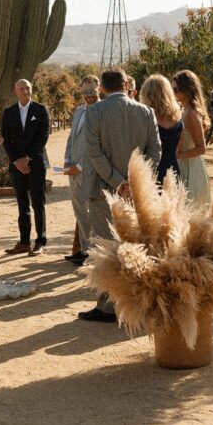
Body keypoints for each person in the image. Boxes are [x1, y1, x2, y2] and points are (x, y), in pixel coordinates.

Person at [81, 68, 161, 322]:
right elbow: (155, 151)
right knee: (135, 245)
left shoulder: (93, 111)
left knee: (105, 248)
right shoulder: (145, 112)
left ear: (102, 88)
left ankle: (107, 306)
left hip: (103, 189)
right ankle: (135, 303)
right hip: (136, 193)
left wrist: (117, 182)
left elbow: (94, 153)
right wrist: (134, 182)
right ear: (127, 84)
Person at [0, 79, 51, 256]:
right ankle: (24, 242)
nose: (25, 91)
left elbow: (43, 136)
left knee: (38, 202)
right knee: (22, 204)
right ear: (15, 91)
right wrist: (17, 161)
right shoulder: (9, 113)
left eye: (28, 88)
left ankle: (40, 241)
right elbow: (5, 138)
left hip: (36, 164)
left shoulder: (40, 110)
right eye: (21, 88)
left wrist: (27, 159)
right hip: (17, 166)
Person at [63, 75, 100, 265]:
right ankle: (85, 249)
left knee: (92, 212)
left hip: (91, 172)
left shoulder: (103, 112)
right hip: (73, 171)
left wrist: (80, 167)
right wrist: (68, 160)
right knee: (79, 211)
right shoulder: (78, 111)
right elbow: (72, 138)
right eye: (86, 92)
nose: (89, 96)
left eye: (92, 92)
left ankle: (94, 252)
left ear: (99, 89)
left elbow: (98, 146)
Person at [172, 70, 211, 206]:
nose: (174, 93)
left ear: (186, 89)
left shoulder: (191, 114)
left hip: (192, 168)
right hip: (183, 165)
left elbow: (201, 148)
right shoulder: (184, 110)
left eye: (176, 89)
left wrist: (178, 155)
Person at [139, 75, 184, 185]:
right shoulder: (178, 121)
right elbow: (178, 150)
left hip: (151, 172)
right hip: (172, 171)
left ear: (147, 95)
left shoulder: (144, 120)